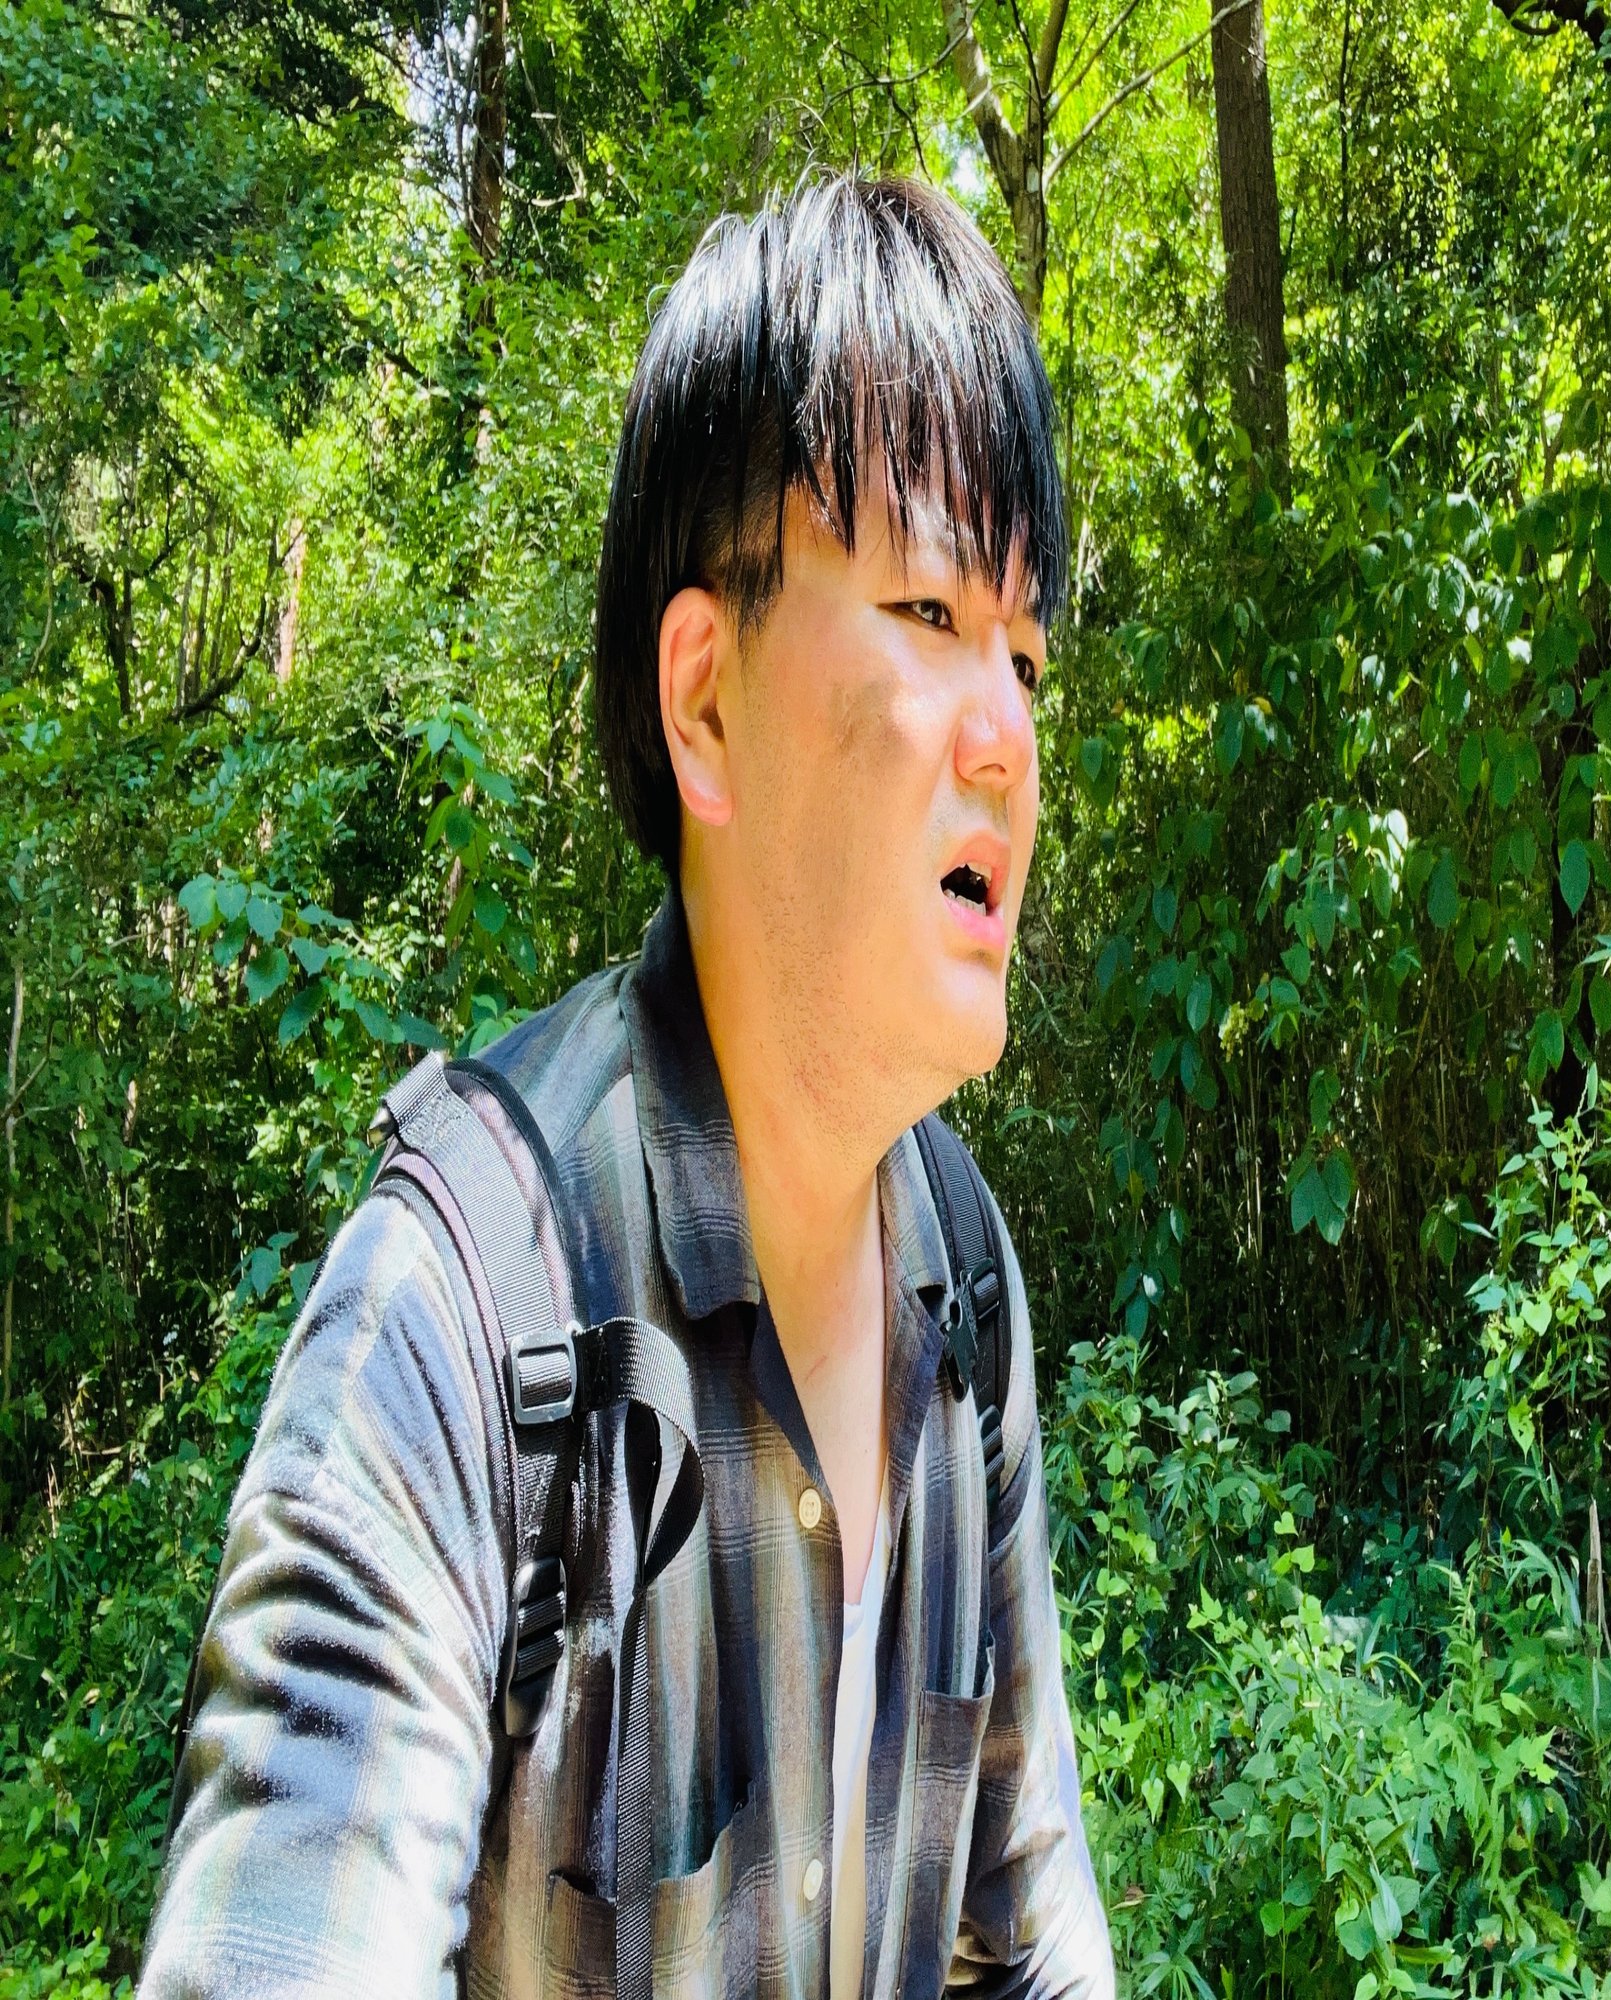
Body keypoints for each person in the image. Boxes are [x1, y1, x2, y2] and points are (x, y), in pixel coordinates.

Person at [141, 174, 1115, 1999]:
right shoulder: (458, 1313)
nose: (1009, 734)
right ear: (704, 699)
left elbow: (1031, 1937)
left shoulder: (965, 1281)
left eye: (1028, 650)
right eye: (927, 608)